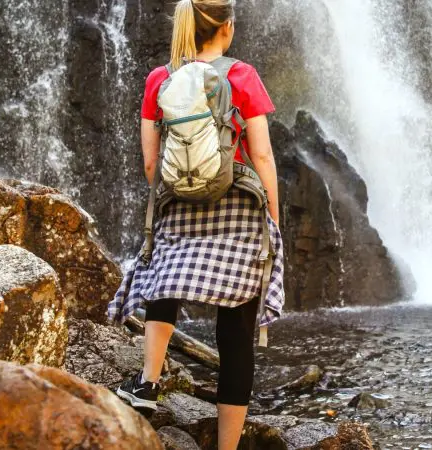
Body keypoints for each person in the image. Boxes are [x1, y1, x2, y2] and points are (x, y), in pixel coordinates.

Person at [107, 0, 285, 448]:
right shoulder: (242, 76)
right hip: (240, 207)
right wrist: (273, 216)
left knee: (164, 281)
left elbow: (152, 164)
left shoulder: (160, 79)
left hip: (180, 204)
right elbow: (262, 155)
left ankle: (148, 382)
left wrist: (180, 195)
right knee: (236, 332)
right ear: (226, 28)